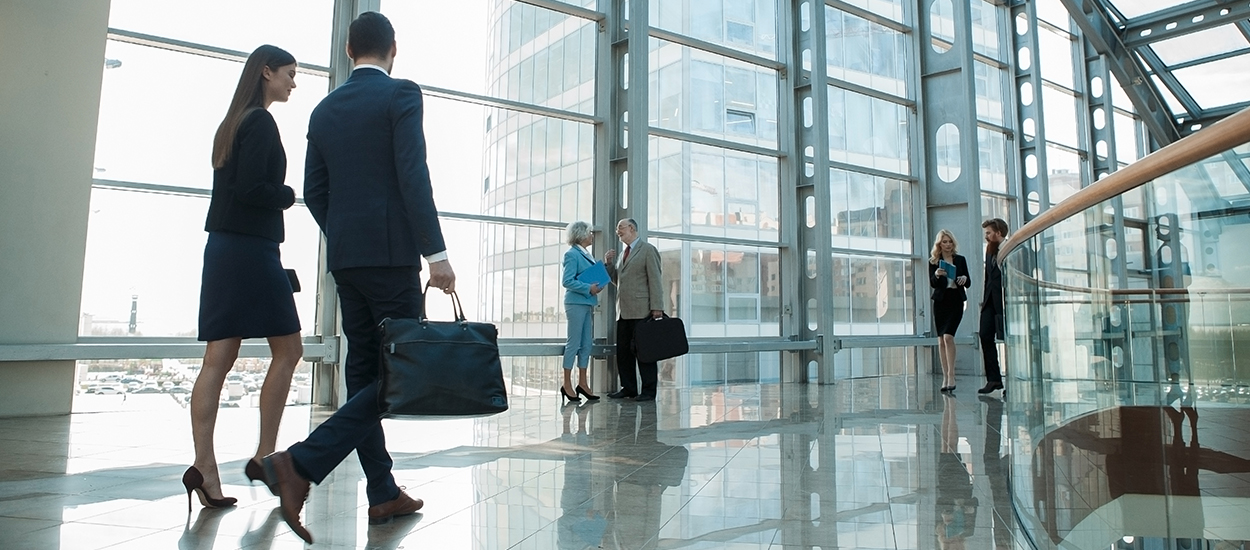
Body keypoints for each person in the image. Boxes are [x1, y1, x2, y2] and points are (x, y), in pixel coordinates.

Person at [260, 12, 457, 544]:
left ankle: (382, 491)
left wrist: (348, 233)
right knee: (398, 371)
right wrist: (435, 254)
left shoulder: (324, 110)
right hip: (394, 257)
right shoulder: (401, 95)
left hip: (348, 259)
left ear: (349, 51)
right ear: (393, 48)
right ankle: (299, 463)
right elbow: (414, 175)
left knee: (365, 368)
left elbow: (315, 191)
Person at [185, 44, 303, 512]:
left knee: (219, 357)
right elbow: (255, 189)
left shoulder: (232, 123)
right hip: (251, 251)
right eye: (290, 74)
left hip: (226, 249)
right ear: (266, 72)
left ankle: (204, 467)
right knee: (289, 349)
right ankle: (264, 457)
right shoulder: (260, 121)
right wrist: (289, 194)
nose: (294, 82)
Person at [603, 219, 665, 402]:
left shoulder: (647, 250)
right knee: (623, 352)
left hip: (642, 310)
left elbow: (655, 279)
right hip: (623, 311)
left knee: (644, 352)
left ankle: (648, 391)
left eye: (620, 227)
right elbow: (618, 282)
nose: (617, 231)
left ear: (632, 228)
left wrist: (657, 307)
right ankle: (628, 388)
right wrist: (609, 264)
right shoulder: (623, 254)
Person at [560, 221, 603, 403]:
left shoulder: (586, 254)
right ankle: (566, 383)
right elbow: (567, 281)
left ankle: (583, 383)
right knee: (574, 342)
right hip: (576, 303)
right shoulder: (572, 255)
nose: (592, 235)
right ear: (582, 235)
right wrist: (588, 288)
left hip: (587, 303)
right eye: (590, 233)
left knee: (586, 343)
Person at [928, 230, 970, 393]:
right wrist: (937, 275)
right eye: (944, 242)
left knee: (948, 337)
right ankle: (945, 376)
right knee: (941, 340)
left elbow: (968, 281)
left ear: (953, 243)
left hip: (956, 300)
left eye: (949, 241)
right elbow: (932, 283)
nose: (947, 244)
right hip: (940, 302)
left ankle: (952, 375)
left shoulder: (960, 260)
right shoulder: (934, 262)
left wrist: (964, 278)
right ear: (939, 244)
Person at [977, 218, 1008, 394]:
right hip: (990, 301)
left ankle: (1011, 380)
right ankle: (994, 379)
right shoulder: (989, 251)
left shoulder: (1012, 248)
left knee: (1010, 340)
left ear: (998, 233)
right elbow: (988, 278)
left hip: (1006, 301)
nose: (986, 236)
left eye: (989, 233)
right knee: (985, 335)